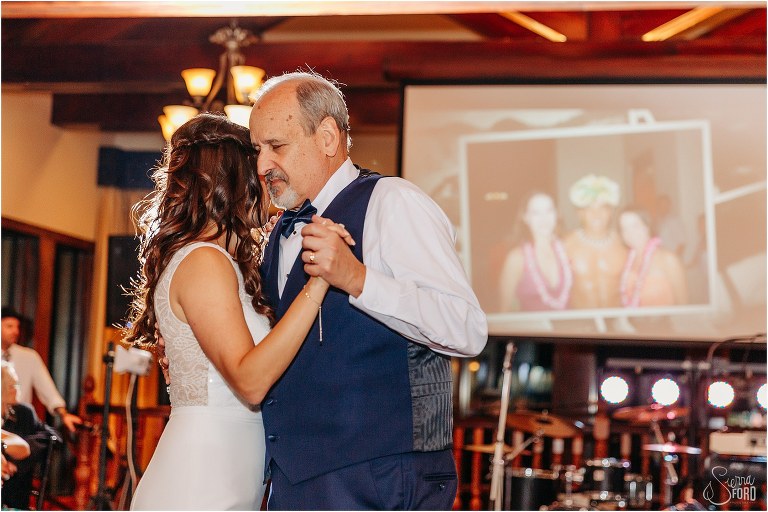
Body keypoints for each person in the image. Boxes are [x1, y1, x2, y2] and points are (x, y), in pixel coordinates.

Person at [250, 70, 488, 510]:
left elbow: (465, 328)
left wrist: (358, 280)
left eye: (276, 146)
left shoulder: (392, 202)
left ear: (326, 137)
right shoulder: (278, 232)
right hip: (292, 479)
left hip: (379, 478)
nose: (263, 165)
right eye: (258, 149)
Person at [123, 112, 354, 511]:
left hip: (226, 470)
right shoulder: (203, 261)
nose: (270, 179)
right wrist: (320, 281)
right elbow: (249, 380)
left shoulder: (214, 262)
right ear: (236, 182)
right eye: (260, 171)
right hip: (201, 481)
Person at [1, 307, 82, 433]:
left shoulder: (29, 356)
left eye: (17, 327)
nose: (15, 331)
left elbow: (48, 390)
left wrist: (63, 414)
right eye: (9, 326)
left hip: (19, 425)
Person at [499, 191, 572, 312]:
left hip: (569, 329)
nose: (544, 218)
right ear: (525, 217)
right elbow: (504, 311)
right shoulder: (516, 258)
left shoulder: (568, 249)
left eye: (549, 211)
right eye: (536, 213)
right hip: (533, 329)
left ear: (557, 214)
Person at [563, 174, 628, 309]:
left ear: (611, 212)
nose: (596, 214)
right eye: (589, 209)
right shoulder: (565, 245)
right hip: (581, 325)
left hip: (616, 323)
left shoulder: (624, 243)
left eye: (602, 208)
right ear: (579, 213)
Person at [2, 360, 58, 510]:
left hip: (16, 489)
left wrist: (14, 460)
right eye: (12, 386)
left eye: (16, 385)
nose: (17, 390)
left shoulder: (23, 412)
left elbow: (51, 436)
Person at [618, 206, 688, 307]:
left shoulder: (668, 259)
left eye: (635, 226)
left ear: (647, 226)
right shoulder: (626, 260)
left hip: (663, 322)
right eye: (624, 228)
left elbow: (684, 305)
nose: (629, 233)